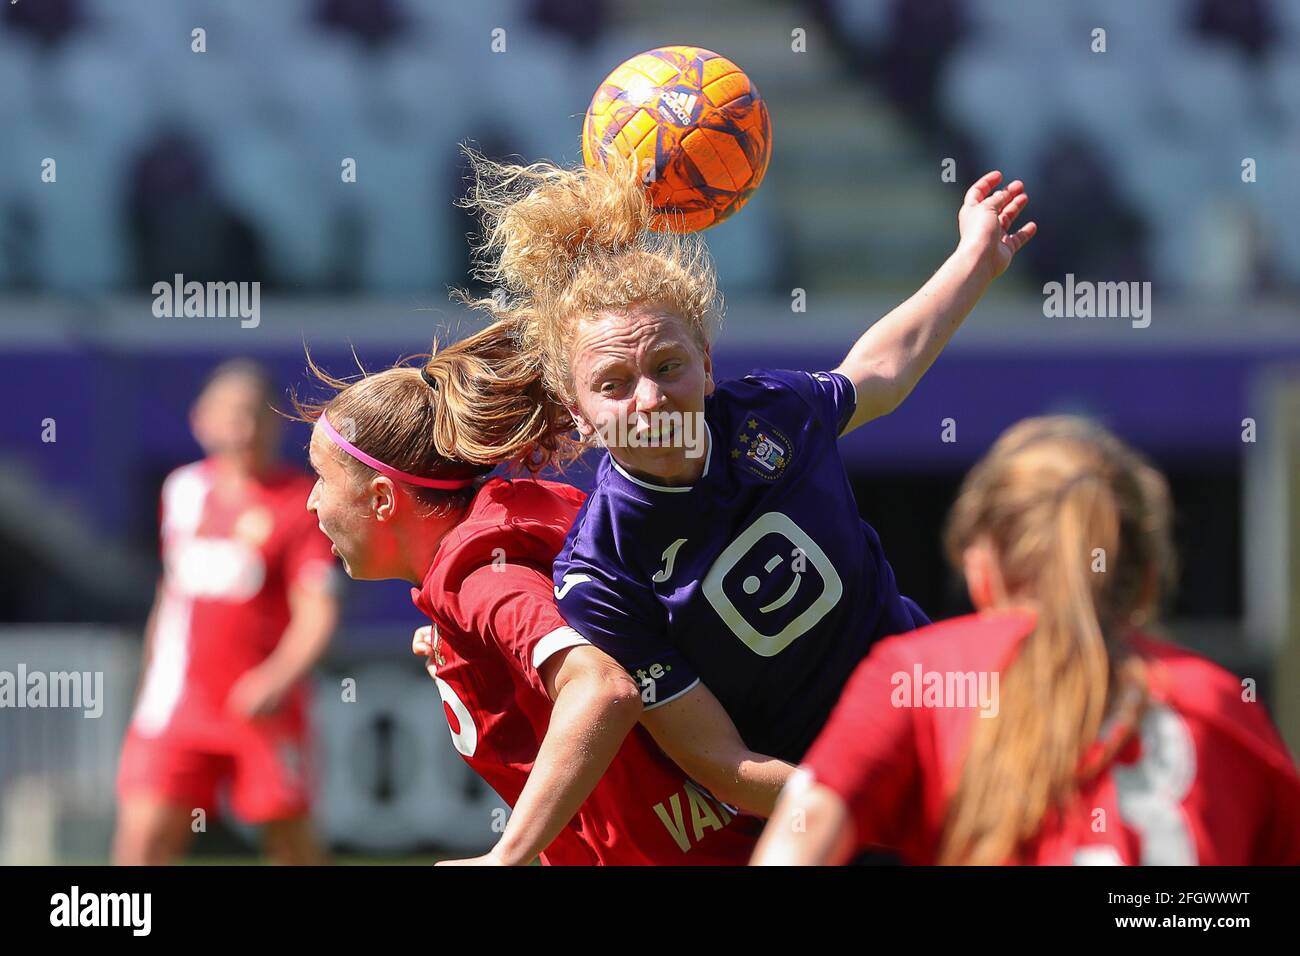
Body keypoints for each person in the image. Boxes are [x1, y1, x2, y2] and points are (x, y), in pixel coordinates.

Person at [453, 153, 1034, 764]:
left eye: (667, 366)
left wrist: (976, 255)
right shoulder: (603, 574)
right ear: (576, 410)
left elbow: (880, 373)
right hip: (819, 803)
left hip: (942, 712)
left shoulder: (770, 413)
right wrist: (864, 793)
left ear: (706, 364)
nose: (650, 399)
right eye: (613, 384)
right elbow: (722, 764)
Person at [298, 330, 789, 865]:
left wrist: (503, 857)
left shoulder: (479, 575)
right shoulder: (497, 540)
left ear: (383, 499)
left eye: (322, 478)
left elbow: (603, 689)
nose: (311, 501)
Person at [751, 416, 1300, 865]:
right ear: (1150, 578)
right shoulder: (1226, 707)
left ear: (980, 570)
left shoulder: (921, 679)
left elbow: (800, 842)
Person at [114, 360, 339, 865]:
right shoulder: (182, 491)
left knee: (290, 845)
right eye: (233, 414)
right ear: (202, 421)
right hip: (176, 705)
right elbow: (171, 593)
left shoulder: (300, 504)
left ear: (277, 425)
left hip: (262, 707)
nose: (245, 429)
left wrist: (277, 679)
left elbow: (316, 611)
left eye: (257, 416)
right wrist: (151, 674)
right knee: (144, 840)